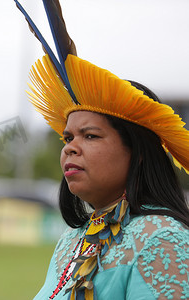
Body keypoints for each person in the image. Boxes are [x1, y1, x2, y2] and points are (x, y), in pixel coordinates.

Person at [13, 1, 189, 299]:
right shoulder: (71, 241)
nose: (71, 148)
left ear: (138, 152)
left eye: (90, 136)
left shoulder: (164, 239)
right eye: (68, 138)